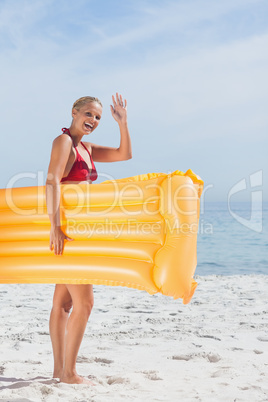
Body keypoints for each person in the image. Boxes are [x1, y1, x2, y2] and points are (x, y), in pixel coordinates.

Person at [45, 93, 132, 384]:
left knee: (63, 305)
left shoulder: (87, 148)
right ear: (74, 112)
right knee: (85, 303)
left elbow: (124, 154)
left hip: (80, 233)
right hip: (67, 233)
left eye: (98, 117)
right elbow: (52, 180)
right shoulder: (64, 143)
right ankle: (68, 373)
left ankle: (59, 371)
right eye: (89, 114)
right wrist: (54, 226)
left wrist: (123, 122)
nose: (93, 120)